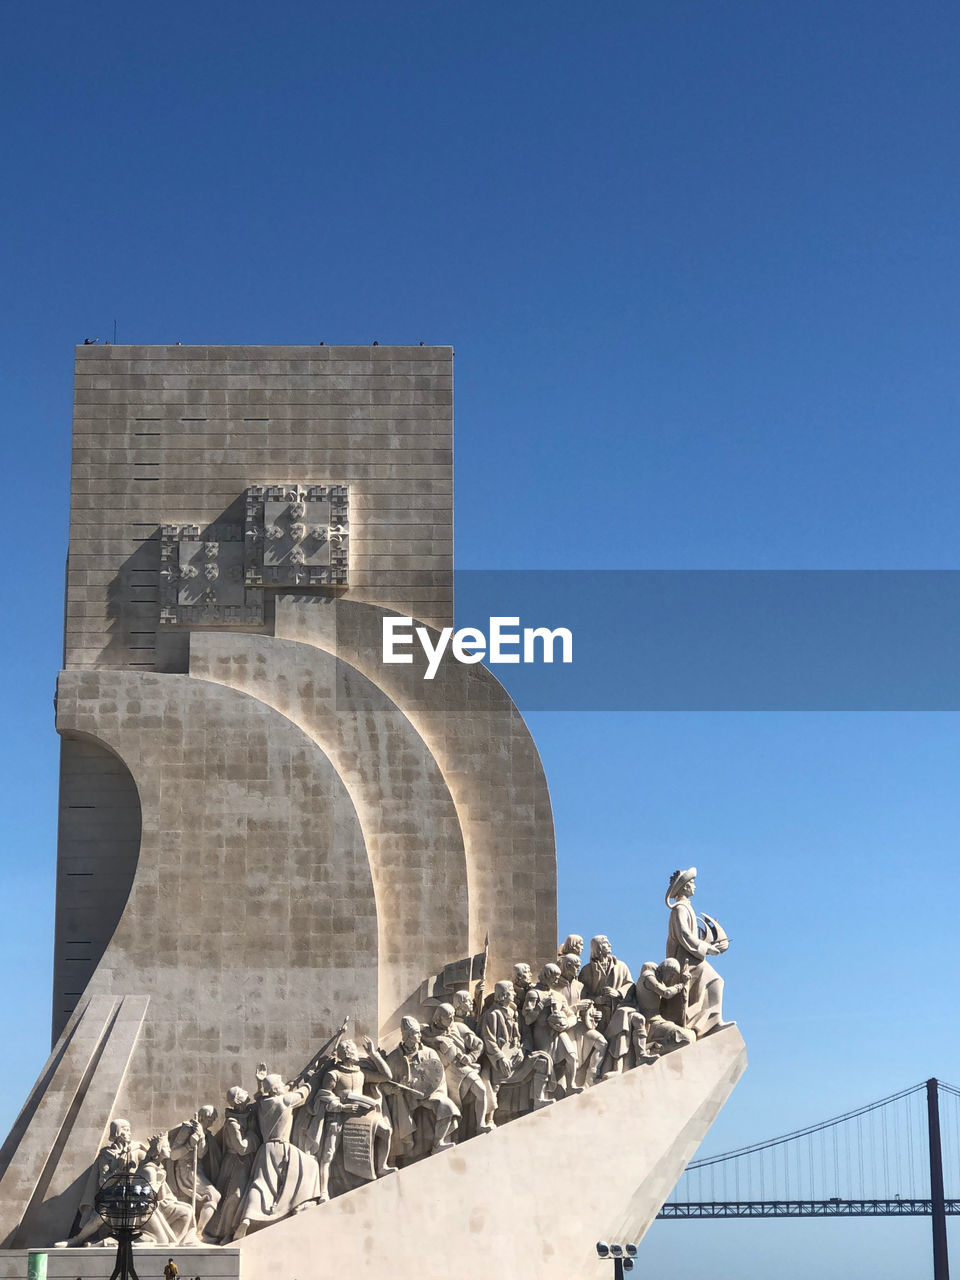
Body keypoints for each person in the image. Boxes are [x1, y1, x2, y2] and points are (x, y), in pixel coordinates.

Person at [233, 1071, 321, 1238]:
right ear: (275, 1089)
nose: (283, 1086)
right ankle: (298, 1203)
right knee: (311, 1166)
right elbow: (305, 1092)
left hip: (265, 1150)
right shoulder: (285, 1101)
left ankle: (247, 1217)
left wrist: (262, 1083)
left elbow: (264, 1094)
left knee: (260, 1184)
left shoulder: (263, 1104)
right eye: (280, 1084)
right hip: (282, 1147)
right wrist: (316, 1075)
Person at [314, 1036, 395, 1202]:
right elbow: (324, 1096)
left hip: (360, 1116)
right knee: (328, 1154)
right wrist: (342, 1107)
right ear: (348, 1054)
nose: (357, 1053)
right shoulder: (333, 1074)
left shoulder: (361, 1073)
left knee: (386, 1131)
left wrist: (374, 1054)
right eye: (354, 1050)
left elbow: (387, 1076)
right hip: (339, 1117)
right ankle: (323, 1192)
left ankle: (382, 1166)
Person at [665, 867, 731, 1037]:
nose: (694, 886)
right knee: (715, 980)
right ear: (685, 887)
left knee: (714, 982)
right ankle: (706, 1024)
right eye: (692, 883)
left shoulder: (686, 907)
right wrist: (706, 948)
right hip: (685, 961)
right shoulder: (679, 909)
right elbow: (684, 935)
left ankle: (710, 1022)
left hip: (692, 957)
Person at [383, 1016, 459, 1164]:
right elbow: (384, 1084)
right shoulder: (393, 1058)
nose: (419, 1036)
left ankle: (438, 1143)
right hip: (405, 1099)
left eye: (418, 1033)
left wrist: (433, 1091)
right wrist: (395, 1089)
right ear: (407, 1036)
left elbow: (439, 1077)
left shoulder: (429, 1053)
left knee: (448, 1107)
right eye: (415, 1034)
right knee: (397, 1116)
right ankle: (392, 1158)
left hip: (427, 1095)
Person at [57, 1118, 145, 1247]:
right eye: (126, 1130)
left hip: (133, 1194)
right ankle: (77, 1239)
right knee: (99, 1217)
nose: (129, 1133)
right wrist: (118, 1171)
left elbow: (148, 1166)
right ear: (118, 1132)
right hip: (113, 1194)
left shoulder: (136, 1150)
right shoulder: (106, 1155)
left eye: (129, 1130)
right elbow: (104, 1181)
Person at [479, 980, 552, 1115]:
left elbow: (527, 1036)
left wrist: (523, 1050)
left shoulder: (516, 1013)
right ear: (504, 994)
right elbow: (488, 1040)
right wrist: (501, 1058)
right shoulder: (492, 1014)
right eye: (511, 991)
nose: (514, 993)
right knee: (494, 1086)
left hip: (519, 1058)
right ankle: (488, 1118)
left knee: (543, 1061)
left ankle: (539, 1100)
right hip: (501, 1062)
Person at [424, 1003, 494, 1138]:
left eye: (452, 1016)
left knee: (481, 1090)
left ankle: (480, 1125)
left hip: (463, 1068)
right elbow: (421, 1037)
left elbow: (479, 1044)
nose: (451, 1020)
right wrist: (436, 1039)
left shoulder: (459, 1028)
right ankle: (450, 1138)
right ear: (438, 1018)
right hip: (447, 1075)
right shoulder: (428, 1033)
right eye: (448, 1017)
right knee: (453, 1108)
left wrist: (470, 1057)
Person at [207, 1087, 260, 1244]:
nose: (246, 1096)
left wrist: (259, 1084)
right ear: (239, 1101)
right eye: (243, 1095)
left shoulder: (247, 1114)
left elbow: (261, 1103)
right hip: (235, 1163)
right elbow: (242, 1148)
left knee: (241, 1196)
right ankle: (225, 1233)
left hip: (245, 1163)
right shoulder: (232, 1123)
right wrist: (251, 1134)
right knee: (234, 1196)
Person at [522, 963, 580, 1098]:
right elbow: (528, 1019)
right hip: (542, 1033)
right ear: (546, 975)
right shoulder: (533, 994)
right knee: (546, 1063)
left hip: (559, 1032)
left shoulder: (558, 995)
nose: (556, 980)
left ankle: (571, 1086)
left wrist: (566, 1024)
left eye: (558, 977)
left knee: (572, 1056)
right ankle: (540, 1097)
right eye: (554, 977)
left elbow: (572, 1015)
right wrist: (542, 1005)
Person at [166, 1106, 220, 1241]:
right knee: (214, 1195)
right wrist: (189, 1145)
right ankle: (198, 1233)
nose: (211, 1123)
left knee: (208, 1198)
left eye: (213, 1120)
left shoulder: (204, 1132)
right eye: (209, 1119)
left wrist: (201, 1137)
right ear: (202, 1117)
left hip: (197, 1169)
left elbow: (201, 1154)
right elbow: (173, 1155)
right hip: (186, 1170)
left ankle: (196, 1232)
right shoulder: (187, 1129)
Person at [578, 936, 633, 1035]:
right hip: (596, 1015)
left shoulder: (621, 966)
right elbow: (580, 995)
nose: (610, 945)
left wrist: (618, 992)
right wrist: (596, 999)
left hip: (616, 1010)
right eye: (606, 943)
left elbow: (630, 985)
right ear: (598, 946)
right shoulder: (586, 970)